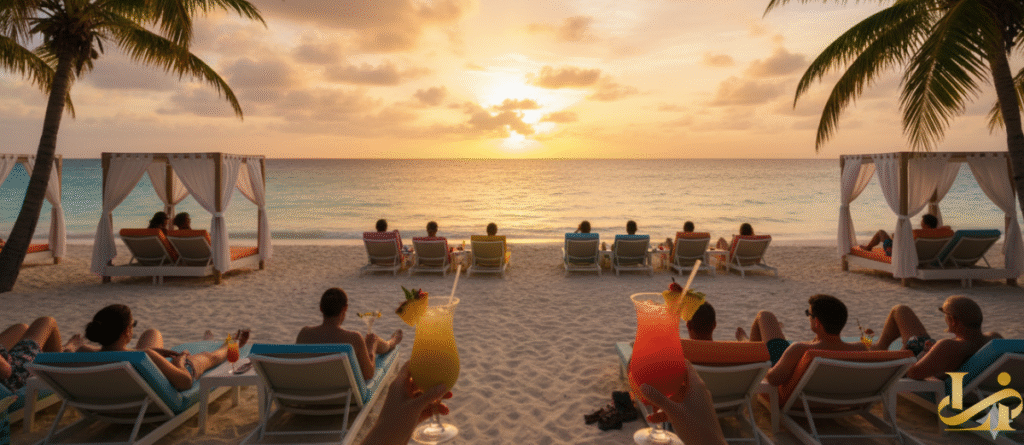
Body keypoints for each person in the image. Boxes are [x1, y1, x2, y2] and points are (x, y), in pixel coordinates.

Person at [358, 360, 727, 445]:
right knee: (765, 320)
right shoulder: (782, 357)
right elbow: (773, 378)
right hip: (776, 377)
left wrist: (382, 435)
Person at [78, 304, 248, 391]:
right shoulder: (146, 356)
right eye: (133, 325)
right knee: (208, 356)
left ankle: (226, 343)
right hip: (161, 387)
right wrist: (180, 362)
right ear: (125, 333)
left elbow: (113, 353)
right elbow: (185, 383)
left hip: (112, 396)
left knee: (152, 333)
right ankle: (232, 345)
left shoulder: (83, 352)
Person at [736, 294, 864, 386]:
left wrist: (761, 364)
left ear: (817, 322)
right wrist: (868, 338)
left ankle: (746, 343)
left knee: (764, 315)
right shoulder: (860, 349)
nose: (808, 317)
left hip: (790, 385)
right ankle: (747, 342)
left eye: (809, 315)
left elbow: (773, 379)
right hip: (829, 397)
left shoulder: (799, 350)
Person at [868, 295, 1002, 380]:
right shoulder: (994, 339)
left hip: (912, 364)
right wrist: (933, 351)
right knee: (901, 311)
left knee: (900, 310)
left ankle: (879, 348)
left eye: (945, 315)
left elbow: (913, 373)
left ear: (953, 321)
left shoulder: (948, 346)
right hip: (939, 362)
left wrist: (906, 353)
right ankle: (879, 346)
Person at [296, 288, 402, 381]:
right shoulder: (353, 338)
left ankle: (390, 343)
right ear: (345, 308)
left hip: (310, 392)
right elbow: (368, 374)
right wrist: (371, 349)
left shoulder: (304, 334)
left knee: (368, 343)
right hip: (343, 397)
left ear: (321, 308)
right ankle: (391, 343)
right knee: (373, 340)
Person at [0, 317, 67, 391]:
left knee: (21, 328)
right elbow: (6, 372)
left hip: (6, 360)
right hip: (13, 378)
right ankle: (62, 378)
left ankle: (61, 356)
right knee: (47, 321)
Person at [860, 213, 939, 254]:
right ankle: (869, 246)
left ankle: (869, 247)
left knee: (881, 232)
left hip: (896, 251)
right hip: (917, 254)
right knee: (892, 235)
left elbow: (904, 244)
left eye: (922, 221)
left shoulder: (919, 233)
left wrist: (895, 237)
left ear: (926, 224)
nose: (920, 222)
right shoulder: (936, 234)